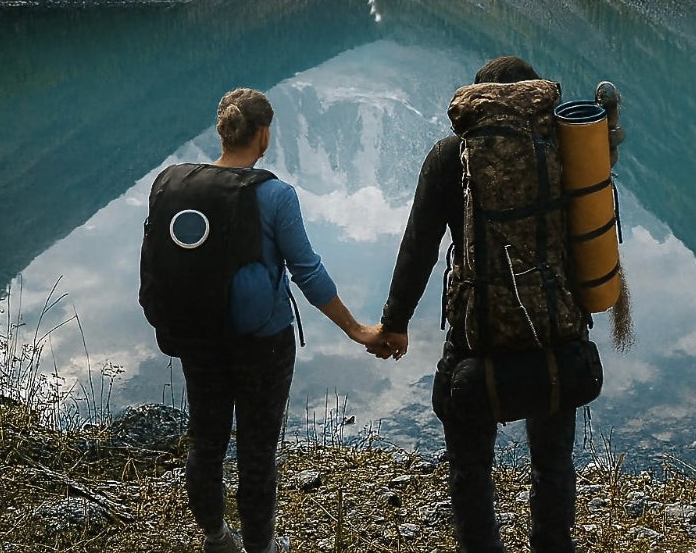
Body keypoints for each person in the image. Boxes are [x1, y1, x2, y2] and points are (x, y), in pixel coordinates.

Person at [371, 56, 580, 553]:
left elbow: (419, 245)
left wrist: (394, 323)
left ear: (477, 100)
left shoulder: (451, 154)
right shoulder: (563, 148)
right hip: (554, 329)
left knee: (470, 468)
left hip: (475, 336)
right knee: (552, 463)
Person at [180, 87, 383, 553]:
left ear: (222, 130)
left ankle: (215, 538)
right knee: (256, 451)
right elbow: (307, 272)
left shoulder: (183, 185)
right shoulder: (275, 195)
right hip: (264, 344)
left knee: (206, 441)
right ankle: (259, 548)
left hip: (200, 339)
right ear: (264, 135)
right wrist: (358, 330)